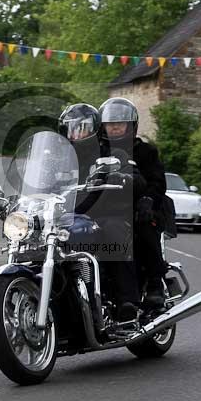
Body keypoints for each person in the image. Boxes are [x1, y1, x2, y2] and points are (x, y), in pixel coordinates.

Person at [58, 103, 140, 322]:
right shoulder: (58, 157)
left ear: (94, 128)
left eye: (82, 127)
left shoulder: (110, 151)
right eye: (71, 127)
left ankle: (126, 301)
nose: (76, 133)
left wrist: (120, 176)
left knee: (112, 234)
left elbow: (131, 174)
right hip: (66, 216)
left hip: (105, 213)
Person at [98, 97, 169, 310]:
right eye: (111, 123)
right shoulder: (97, 151)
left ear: (132, 125)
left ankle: (154, 283)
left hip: (139, 207)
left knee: (145, 226)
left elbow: (158, 181)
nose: (116, 127)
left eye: (121, 123)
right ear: (103, 126)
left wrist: (148, 200)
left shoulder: (144, 151)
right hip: (105, 209)